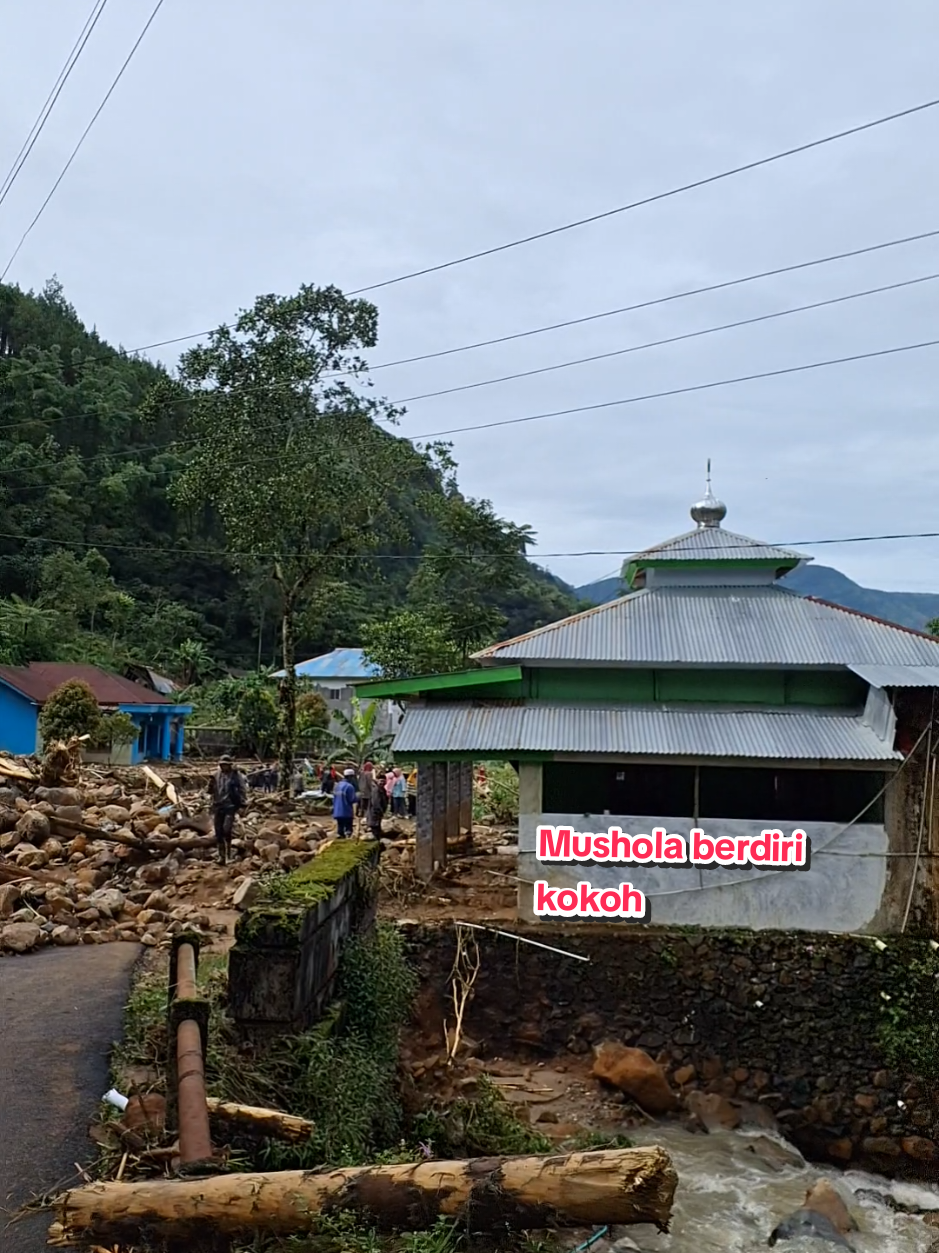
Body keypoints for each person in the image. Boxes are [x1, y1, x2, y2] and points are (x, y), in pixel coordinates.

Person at [207, 754, 247, 865]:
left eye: (226, 765)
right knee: (218, 832)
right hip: (218, 806)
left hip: (230, 806)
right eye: (222, 765)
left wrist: (243, 804)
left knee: (227, 830)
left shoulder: (236, 776)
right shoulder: (215, 775)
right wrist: (210, 787)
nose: (224, 767)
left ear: (230, 765)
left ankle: (229, 856)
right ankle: (221, 856)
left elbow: (242, 790)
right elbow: (209, 791)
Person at [333, 768, 357, 838]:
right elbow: (352, 799)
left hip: (337, 811)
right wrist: (358, 798)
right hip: (346, 812)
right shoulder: (349, 787)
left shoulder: (337, 785)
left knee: (340, 828)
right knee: (348, 829)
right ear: (350, 777)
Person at [368, 770, 389, 840]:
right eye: (381, 781)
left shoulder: (382, 790)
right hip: (375, 813)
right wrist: (381, 811)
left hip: (378, 813)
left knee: (378, 829)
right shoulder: (376, 790)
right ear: (377, 781)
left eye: (383, 781)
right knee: (375, 829)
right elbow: (375, 803)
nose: (382, 783)